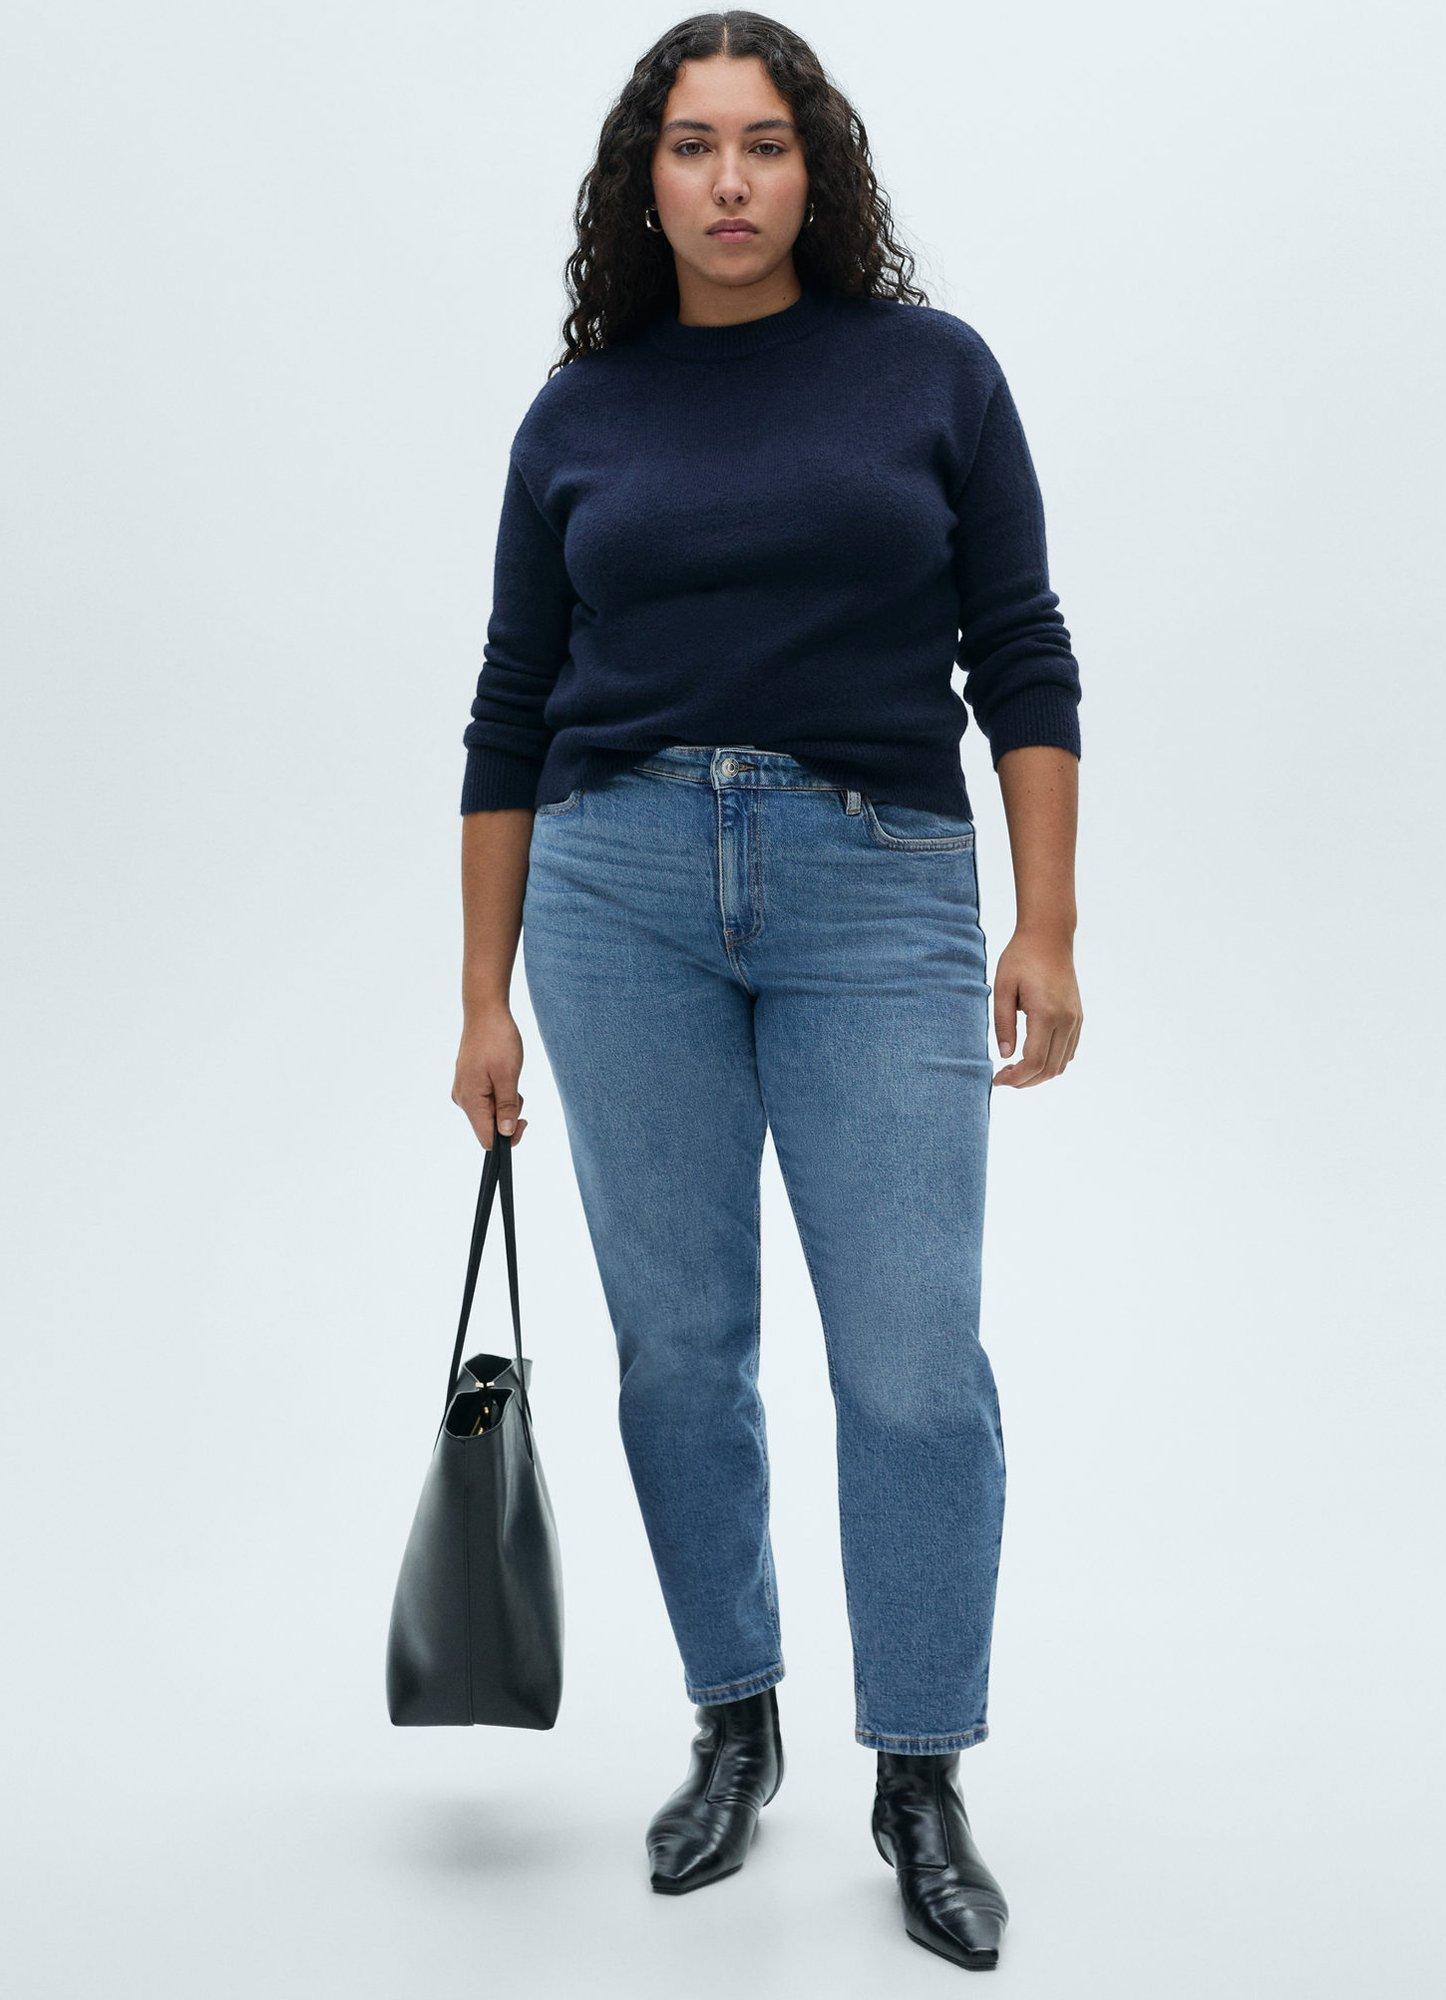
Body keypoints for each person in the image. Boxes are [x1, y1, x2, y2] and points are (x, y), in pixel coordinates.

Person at [451, 14, 1083, 1973]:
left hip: (875, 885)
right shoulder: (579, 413)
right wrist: (480, 996)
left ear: (820, 170)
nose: (730, 179)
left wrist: (1046, 924)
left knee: (912, 1358)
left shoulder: (932, 373)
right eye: (692, 144)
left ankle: (921, 1770)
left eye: (767, 142)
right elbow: (509, 707)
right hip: (615, 891)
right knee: (678, 1351)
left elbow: (1023, 651)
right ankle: (734, 1719)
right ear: (642, 181)